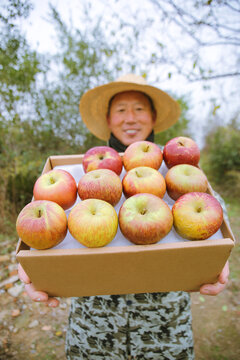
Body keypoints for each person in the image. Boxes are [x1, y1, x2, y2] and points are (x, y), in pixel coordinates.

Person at [18, 74, 230, 359]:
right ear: (108, 119)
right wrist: (32, 256)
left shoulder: (179, 172)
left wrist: (216, 253)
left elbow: (213, 209)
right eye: (121, 109)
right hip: (93, 333)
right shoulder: (79, 177)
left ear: (153, 117)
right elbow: (38, 216)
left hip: (165, 333)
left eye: (139, 108)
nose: (130, 117)